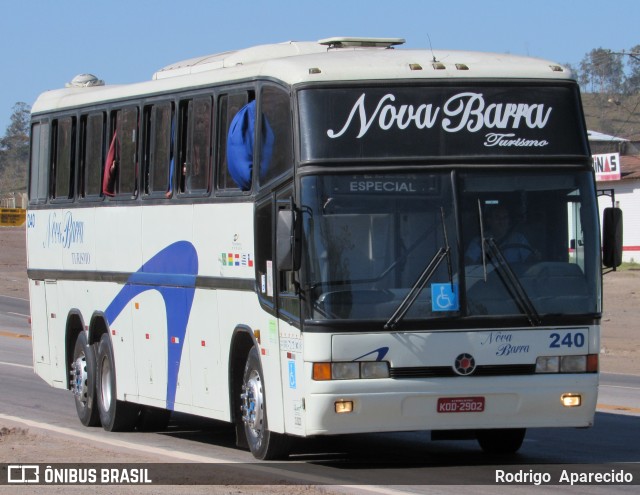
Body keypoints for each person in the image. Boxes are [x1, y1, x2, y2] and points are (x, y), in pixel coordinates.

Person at [465, 206, 536, 263]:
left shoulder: (519, 238)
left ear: (508, 220)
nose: (501, 221)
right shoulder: (479, 241)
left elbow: (529, 261)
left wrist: (535, 257)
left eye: (505, 217)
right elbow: (469, 262)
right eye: (497, 217)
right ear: (489, 221)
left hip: (515, 279)